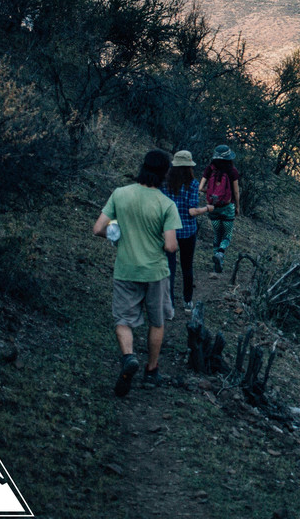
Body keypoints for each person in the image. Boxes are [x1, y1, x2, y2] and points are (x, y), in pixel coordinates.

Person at [93, 150, 181, 396]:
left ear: (142, 167)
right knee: (157, 321)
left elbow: (98, 228)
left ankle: (129, 357)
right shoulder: (166, 204)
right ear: (164, 173)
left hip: (126, 269)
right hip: (155, 272)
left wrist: (117, 234)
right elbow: (171, 246)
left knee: (123, 320)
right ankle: (151, 371)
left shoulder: (120, 194)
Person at [161, 150, 213, 313]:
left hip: (169, 231)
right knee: (187, 266)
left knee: (169, 267)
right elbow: (192, 211)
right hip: (187, 232)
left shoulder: (166, 183)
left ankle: (169, 303)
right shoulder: (192, 184)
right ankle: (187, 301)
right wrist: (206, 208)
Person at [199, 144, 241, 273]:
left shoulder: (209, 169)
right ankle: (221, 253)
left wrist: (211, 192)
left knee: (217, 234)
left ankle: (217, 265)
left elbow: (200, 188)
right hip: (227, 207)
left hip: (213, 207)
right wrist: (237, 207)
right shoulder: (232, 171)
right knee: (227, 235)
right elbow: (236, 192)